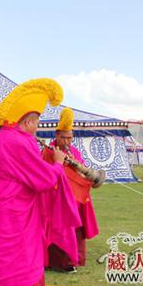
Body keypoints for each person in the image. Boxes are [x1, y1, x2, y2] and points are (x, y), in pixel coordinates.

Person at [0, 78, 81, 286]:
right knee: (12, 267)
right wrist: (58, 164)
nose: (37, 128)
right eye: (37, 123)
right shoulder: (17, 142)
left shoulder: (1, 139)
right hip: (10, 219)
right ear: (29, 121)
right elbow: (44, 180)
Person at [43, 108, 100, 273]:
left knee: (75, 231)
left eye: (70, 138)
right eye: (63, 138)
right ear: (56, 136)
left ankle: (71, 260)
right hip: (55, 199)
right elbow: (47, 174)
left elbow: (82, 175)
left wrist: (77, 166)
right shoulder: (48, 152)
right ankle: (55, 262)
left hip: (75, 199)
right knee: (57, 230)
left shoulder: (74, 153)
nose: (67, 141)